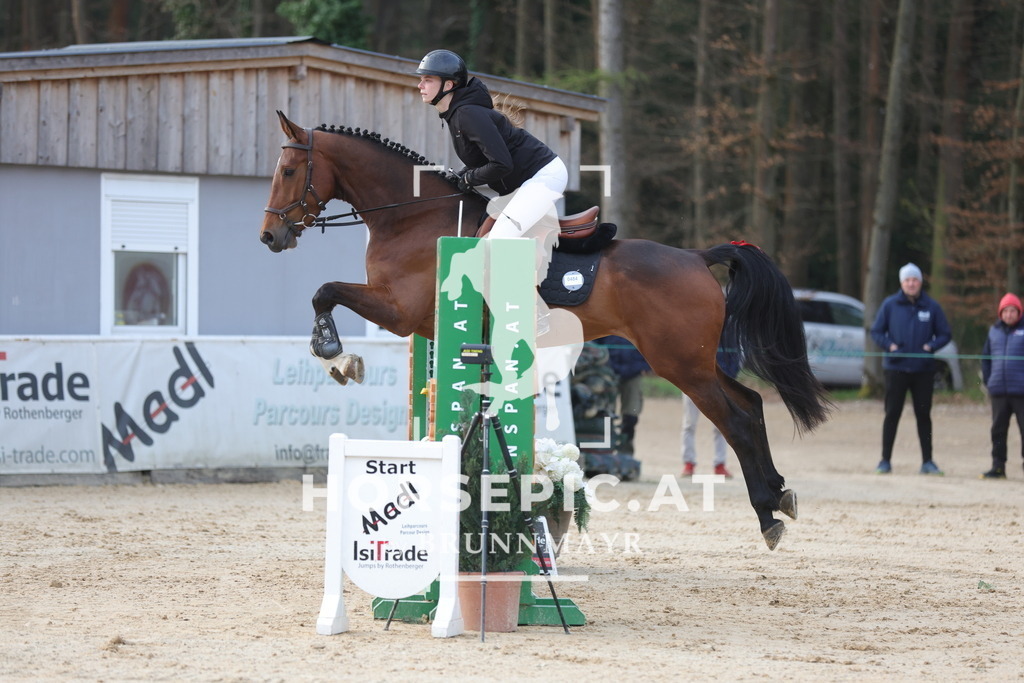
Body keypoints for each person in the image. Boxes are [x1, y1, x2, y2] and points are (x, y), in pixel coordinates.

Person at [415, 49, 568, 332]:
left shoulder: (468, 114)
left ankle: (535, 315)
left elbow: (501, 164)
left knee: (498, 241)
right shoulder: (457, 113)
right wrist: (463, 177)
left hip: (542, 177)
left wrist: (469, 178)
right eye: (421, 79)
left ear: (448, 85)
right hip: (521, 183)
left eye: (428, 79)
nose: (420, 85)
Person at [869, 263, 952, 475]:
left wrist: (931, 346)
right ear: (902, 283)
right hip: (896, 369)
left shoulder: (931, 307)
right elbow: (877, 331)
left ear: (920, 282)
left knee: (924, 415)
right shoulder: (889, 305)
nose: (911, 283)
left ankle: (928, 462)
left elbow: (945, 334)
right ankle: (885, 461)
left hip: (923, 370)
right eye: (907, 280)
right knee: (892, 414)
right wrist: (890, 346)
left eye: (915, 280)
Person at [682, 328, 741, 479]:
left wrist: (726, 377)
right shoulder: (692, 325)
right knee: (689, 423)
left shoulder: (728, 326)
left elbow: (734, 354)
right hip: (693, 382)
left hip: (718, 382)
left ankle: (720, 464)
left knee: (721, 425)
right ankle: (688, 463)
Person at [980, 293, 1024, 479]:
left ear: (1019, 312)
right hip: (998, 391)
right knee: (998, 430)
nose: (1009, 314)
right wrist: (989, 381)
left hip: (1021, 391)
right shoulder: (994, 331)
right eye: (1005, 311)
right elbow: (986, 359)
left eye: (1012, 311)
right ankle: (998, 466)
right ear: (1000, 313)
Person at [595, 336, 651, 454]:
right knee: (605, 411)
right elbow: (595, 343)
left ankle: (626, 448)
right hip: (608, 371)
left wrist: (644, 365)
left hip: (633, 371)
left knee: (631, 412)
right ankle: (606, 447)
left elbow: (647, 341)